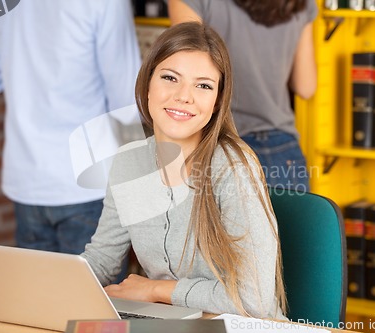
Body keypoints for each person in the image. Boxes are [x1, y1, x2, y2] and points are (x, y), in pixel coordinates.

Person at [80, 21, 287, 319]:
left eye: (203, 85)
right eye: (170, 78)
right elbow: (102, 260)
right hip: (174, 325)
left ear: (217, 102)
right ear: (147, 83)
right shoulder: (130, 163)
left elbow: (253, 300)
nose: (183, 96)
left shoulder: (231, 166)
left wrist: (155, 290)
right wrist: (32, 287)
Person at [0, 0, 141, 257]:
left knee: (38, 295)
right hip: (89, 182)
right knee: (93, 297)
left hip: (27, 181)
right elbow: (128, 101)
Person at [168, 0, 318, 192]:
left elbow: (187, 70)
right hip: (281, 147)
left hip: (218, 142)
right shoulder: (302, 3)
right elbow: (306, 86)